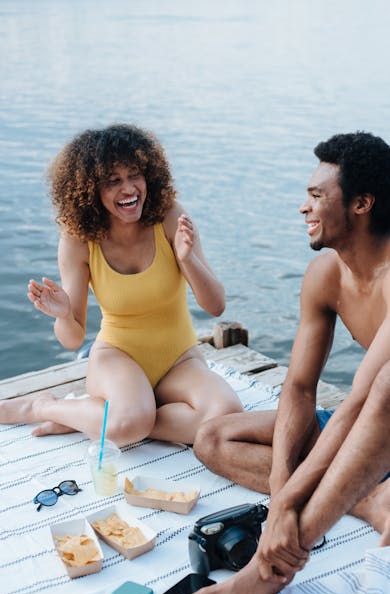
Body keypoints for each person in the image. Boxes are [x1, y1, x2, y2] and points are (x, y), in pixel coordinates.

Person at [175, 131, 390, 594]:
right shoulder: (325, 274)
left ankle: (271, 572)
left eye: (316, 195)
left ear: (361, 204)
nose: (303, 207)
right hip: (375, 430)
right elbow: (298, 389)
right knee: (213, 437)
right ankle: (377, 501)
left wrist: (290, 507)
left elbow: (360, 400)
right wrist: (280, 489)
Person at [0, 124, 242, 445]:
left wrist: (187, 260)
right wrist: (63, 314)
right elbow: (73, 339)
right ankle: (43, 406)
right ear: (90, 191)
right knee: (129, 425)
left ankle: (99, 417)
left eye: (134, 175)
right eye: (113, 181)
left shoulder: (169, 216)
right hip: (117, 358)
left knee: (226, 415)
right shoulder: (79, 240)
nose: (129, 189)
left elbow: (216, 306)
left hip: (179, 358)